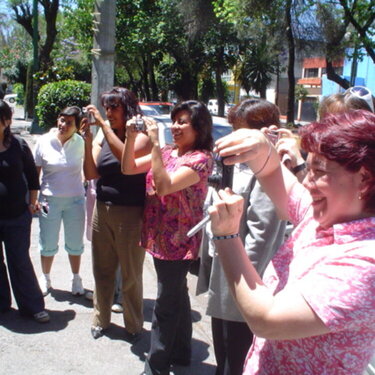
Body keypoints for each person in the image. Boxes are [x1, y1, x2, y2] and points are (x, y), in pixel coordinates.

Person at [209, 109, 375, 374]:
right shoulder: (328, 215)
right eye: (307, 168)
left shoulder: (366, 262)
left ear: (364, 179)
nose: (307, 182)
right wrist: (262, 148)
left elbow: (267, 319)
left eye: (318, 171)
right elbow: (279, 179)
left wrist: (227, 237)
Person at [122, 100, 214, 375]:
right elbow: (128, 168)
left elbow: (163, 186)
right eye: (174, 120)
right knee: (176, 294)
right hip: (159, 234)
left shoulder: (200, 159)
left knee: (165, 302)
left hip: (178, 241)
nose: (176, 126)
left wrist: (153, 143)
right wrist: (129, 138)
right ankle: (182, 351)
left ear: (199, 127)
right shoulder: (167, 151)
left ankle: (156, 366)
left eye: (183, 122)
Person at [197, 99, 286, 375]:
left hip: (242, 277)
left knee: (236, 352)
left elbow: (260, 239)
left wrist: (243, 286)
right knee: (223, 348)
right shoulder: (237, 164)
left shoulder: (266, 174)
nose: (233, 137)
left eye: (240, 131)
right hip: (223, 267)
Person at [80, 87, 151, 340]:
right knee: (102, 269)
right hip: (103, 208)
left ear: (128, 108)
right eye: (106, 108)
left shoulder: (141, 135)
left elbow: (127, 163)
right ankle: (101, 319)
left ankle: (134, 326)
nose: (108, 113)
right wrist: (88, 143)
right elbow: (91, 174)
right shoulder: (104, 136)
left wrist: (103, 126)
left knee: (131, 274)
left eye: (114, 107)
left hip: (130, 213)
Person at [0, 99, 49, 323]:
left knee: (19, 260)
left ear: (7, 121)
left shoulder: (18, 145)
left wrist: (32, 203)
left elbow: (32, 177)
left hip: (17, 215)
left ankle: (32, 306)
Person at [34, 106, 86, 297]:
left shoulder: (81, 143)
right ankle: (45, 277)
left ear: (77, 126)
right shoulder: (44, 141)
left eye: (69, 122)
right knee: (47, 240)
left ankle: (76, 278)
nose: (63, 125)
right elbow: (35, 174)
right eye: (61, 120)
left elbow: (89, 167)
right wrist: (33, 199)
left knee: (75, 242)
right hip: (48, 201)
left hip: (76, 201)